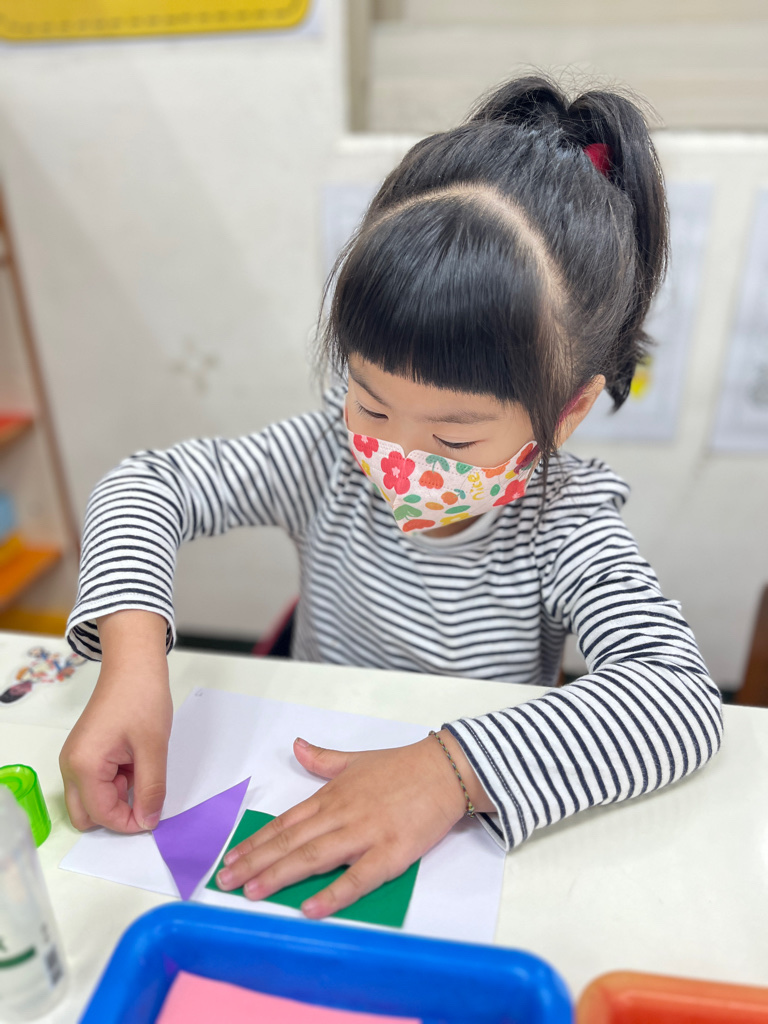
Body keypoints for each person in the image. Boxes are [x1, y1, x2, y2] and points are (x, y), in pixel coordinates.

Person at [60, 75, 723, 919]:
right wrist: (130, 662)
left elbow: (677, 695)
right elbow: (145, 485)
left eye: (454, 437)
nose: (397, 457)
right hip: (302, 771)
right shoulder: (327, 455)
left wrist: (450, 771)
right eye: (371, 403)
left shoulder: (562, 520)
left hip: (460, 825)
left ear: (569, 410)